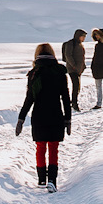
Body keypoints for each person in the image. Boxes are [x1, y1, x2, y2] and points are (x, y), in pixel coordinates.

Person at [16, 42, 72, 191]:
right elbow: (66, 98)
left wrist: (21, 118)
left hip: (39, 115)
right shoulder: (60, 72)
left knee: (40, 147)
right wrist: (68, 119)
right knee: (53, 147)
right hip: (55, 114)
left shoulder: (34, 73)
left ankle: (41, 179)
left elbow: (29, 98)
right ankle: (52, 180)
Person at [60, 29, 87, 117]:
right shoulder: (71, 43)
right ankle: (74, 104)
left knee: (77, 87)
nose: (84, 38)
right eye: (83, 36)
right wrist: (74, 65)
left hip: (78, 69)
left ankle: (73, 101)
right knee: (76, 86)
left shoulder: (79, 44)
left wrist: (82, 66)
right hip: (72, 69)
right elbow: (68, 55)